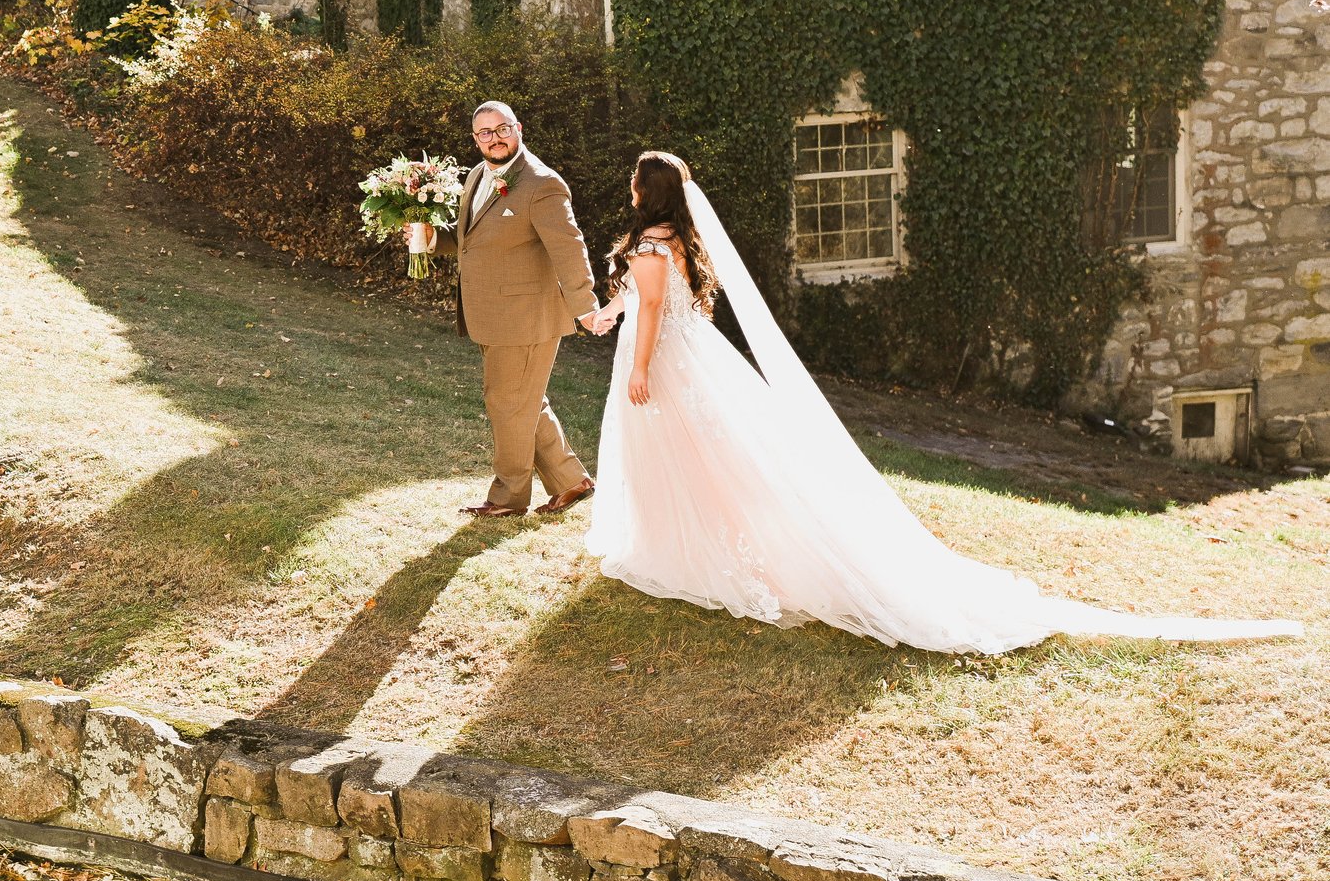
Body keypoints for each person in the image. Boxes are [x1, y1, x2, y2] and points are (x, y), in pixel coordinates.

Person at [582, 150, 1302, 652]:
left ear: (645, 190)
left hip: (671, 364)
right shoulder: (671, 239)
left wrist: (640, 365)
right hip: (695, 357)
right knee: (718, 460)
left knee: (692, 460)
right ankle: (703, 545)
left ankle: (697, 553)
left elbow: (652, 311)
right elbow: (643, 301)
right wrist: (601, 318)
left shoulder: (650, 242)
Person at [430, 102, 613, 519]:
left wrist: (586, 306)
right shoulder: (478, 175)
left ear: (518, 129)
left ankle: (509, 498)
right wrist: (428, 238)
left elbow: (570, 247)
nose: (493, 138)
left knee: (507, 403)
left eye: (501, 129)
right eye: (484, 133)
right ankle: (572, 481)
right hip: (492, 314)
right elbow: (470, 238)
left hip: (527, 317)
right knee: (525, 400)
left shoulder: (542, 184)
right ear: (475, 139)